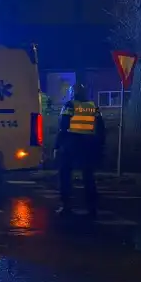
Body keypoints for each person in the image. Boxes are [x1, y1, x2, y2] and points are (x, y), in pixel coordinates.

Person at [55, 83, 105, 216]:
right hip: (88, 144)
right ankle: (92, 207)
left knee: (65, 174)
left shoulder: (70, 105)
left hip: (71, 144)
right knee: (88, 176)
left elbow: (63, 126)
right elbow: (100, 128)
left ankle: (66, 205)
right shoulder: (93, 106)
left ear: (73, 93)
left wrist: (56, 145)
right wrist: (100, 146)